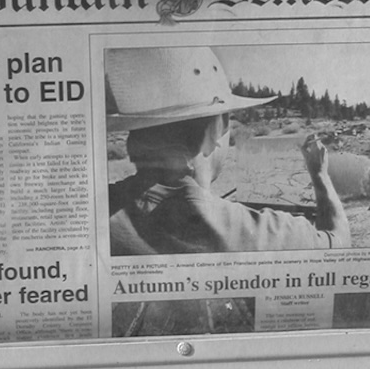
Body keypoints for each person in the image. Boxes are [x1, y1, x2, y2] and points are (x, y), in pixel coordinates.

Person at [107, 47, 351, 256]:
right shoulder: (264, 234)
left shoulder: (97, 210)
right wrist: (320, 176)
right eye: (227, 120)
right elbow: (339, 242)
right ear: (214, 131)